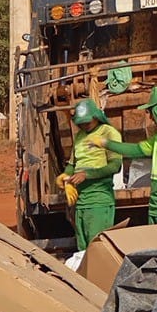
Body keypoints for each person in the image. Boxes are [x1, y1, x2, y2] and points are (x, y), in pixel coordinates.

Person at [88, 85, 157, 232]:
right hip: (156, 207)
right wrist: (105, 143)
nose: (150, 117)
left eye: (150, 111)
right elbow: (136, 150)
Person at [57, 98, 122, 250]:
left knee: (97, 248)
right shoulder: (80, 136)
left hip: (99, 200)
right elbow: (73, 164)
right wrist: (65, 177)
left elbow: (115, 166)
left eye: (87, 122)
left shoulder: (109, 133)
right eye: (80, 123)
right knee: (83, 248)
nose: (83, 125)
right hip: (81, 202)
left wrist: (87, 174)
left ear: (96, 117)